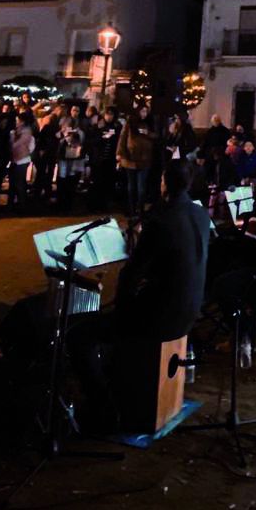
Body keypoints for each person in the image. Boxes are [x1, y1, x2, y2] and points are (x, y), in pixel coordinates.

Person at [68, 158, 211, 433]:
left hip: (163, 317)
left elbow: (131, 274)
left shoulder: (161, 219)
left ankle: (104, 410)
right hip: (191, 309)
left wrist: (122, 309)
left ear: (164, 183)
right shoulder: (200, 214)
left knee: (80, 335)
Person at [117, 104, 156, 216]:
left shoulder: (150, 123)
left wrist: (148, 133)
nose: (144, 114)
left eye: (146, 111)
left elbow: (156, 136)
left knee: (141, 187)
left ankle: (140, 208)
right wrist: (120, 154)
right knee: (131, 186)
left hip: (145, 160)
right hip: (130, 159)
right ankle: (132, 208)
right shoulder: (130, 123)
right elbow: (123, 138)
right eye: (142, 111)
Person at [8, 111, 38, 210]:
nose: (16, 122)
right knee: (13, 183)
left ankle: (22, 205)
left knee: (20, 183)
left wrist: (22, 152)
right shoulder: (14, 132)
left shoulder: (28, 134)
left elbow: (30, 147)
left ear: (22, 122)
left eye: (17, 121)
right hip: (14, 160)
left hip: (22, 160)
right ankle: (12, 204)